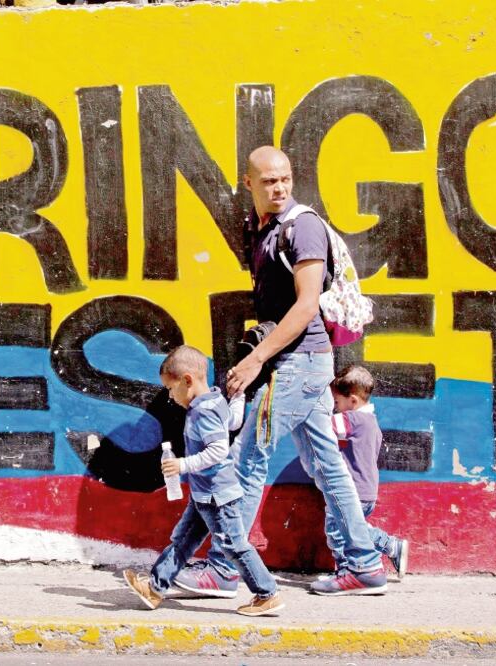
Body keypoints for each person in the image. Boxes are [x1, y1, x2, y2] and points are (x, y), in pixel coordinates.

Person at [174, 146, 389, 597]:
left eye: (285, 178)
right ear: (248, 183)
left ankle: (224, 569)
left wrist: (255, 360)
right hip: (298, 363)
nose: (280, 187)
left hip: (300, 364)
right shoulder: (262, 228)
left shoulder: (303, 227)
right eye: (269, 180)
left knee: (246, 460)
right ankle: (366, 564)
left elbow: (307, 304)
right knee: (329, 467)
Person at [123, 345, 285, 617]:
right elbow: (232, 423)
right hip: (204, 495)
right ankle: (155, 588)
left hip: (218, 495)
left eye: (171, 389)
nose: (171, 397)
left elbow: (219, 449)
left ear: (188, 380)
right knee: (182, 540)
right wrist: (237, 398)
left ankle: (267, 594)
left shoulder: (203, 411)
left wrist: (183, 464)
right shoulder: (214, 401)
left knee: (233, 545)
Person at [328, 365, 408, 580]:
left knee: (339, 531)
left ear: (352, 401)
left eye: (336, 402)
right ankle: (387, 549)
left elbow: (322, 426)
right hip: (367, 491)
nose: (334, 407)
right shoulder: (371, 423)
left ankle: (350, 568)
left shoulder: (352, 419)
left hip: (352, 490)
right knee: (351, 529)